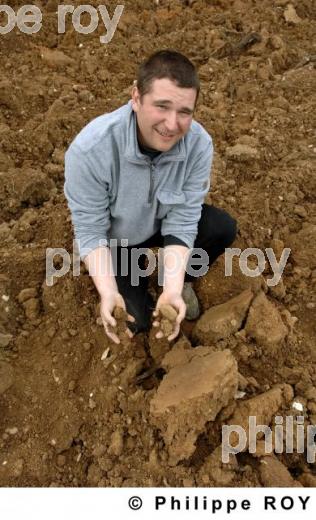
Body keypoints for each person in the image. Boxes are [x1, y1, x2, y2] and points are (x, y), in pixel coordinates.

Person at [64, 49, 237, 344]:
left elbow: (183, 219)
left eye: (184, 112)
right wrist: (108, 293)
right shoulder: (91, 150)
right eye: (162, 106)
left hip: (160, 225)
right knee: (137, 322)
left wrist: (171, 285)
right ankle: (130, 281)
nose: (172, 124)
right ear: (136, 97)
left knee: (221, 228)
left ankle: (176, 283)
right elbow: (90, 230)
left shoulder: (198, 145)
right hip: (115, 240)